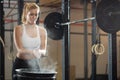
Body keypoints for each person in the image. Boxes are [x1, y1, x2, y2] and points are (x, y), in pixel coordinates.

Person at [12, 2, 47, 80]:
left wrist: (40, 52)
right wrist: (33, 52)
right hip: (20, 64)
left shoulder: (42, 31)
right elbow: (20, 50)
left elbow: (44, 51)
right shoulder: (18, 29)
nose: (34, 17)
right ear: (25, 14)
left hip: (35, 64)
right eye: (31, 14)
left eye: (36, 14)